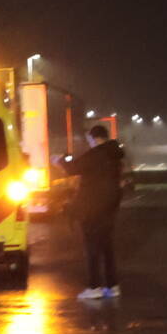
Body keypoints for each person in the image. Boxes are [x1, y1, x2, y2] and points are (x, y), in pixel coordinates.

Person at [66, 124, 125, 300]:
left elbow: (73, 168)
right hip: (109, 208)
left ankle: (94, 287)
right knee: (107, 248)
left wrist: (59, 161)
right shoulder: (114, 155)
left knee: (92, 248)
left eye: (89, 140)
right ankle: (112, 285)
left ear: (94, 138)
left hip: (93, 208)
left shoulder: (96, 155)